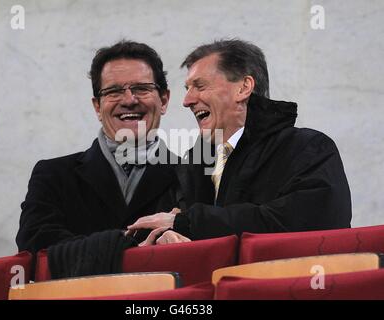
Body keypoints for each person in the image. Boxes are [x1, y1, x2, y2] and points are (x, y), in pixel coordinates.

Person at [128, 39, 352, 244]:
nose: (187, 101)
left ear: (244, 87)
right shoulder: (190, 166)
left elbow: (308, 222)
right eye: (188, 89)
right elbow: (163, 222)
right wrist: (165, 236)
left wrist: (187, 224)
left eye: (200, 86)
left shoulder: (308, 148)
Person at [16, 40, 181, 278]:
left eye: (141, 88)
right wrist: (131, 249)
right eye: (113, 91)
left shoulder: (192, 174)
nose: (129, 100)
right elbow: (35, 247)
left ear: (164, 100)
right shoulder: (53, 175)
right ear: (97, 106)